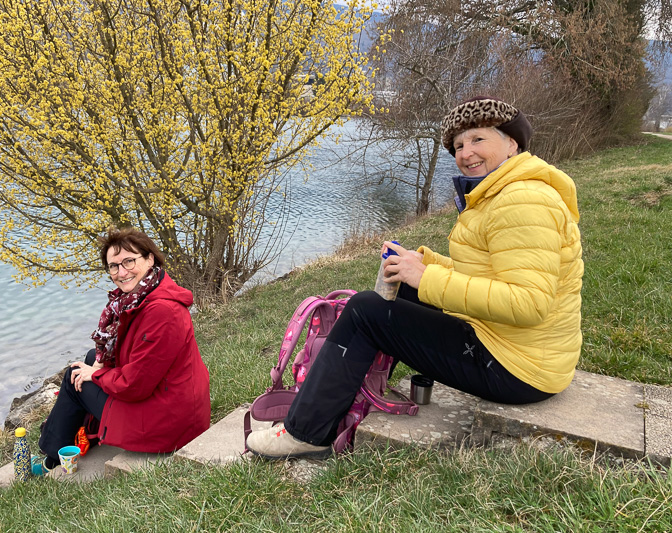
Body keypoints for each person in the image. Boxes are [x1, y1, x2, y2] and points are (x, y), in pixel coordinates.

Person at [246, 96, 584, 459]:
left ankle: (306, 432)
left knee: (364, 311)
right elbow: (488, 273)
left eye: (478, 139)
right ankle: (346, 393)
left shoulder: (522, 200)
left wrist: (427, 278)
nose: (467, 152)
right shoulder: (502, 192)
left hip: (517, 369)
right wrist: (422, 264)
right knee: (400, 289)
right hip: (515, 348)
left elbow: (528, 303)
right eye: (458, 145)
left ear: (512, 143)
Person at [38, 227, 210, 469]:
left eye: (129, 261)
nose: (121, 272)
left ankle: (52, 459)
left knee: (74, 377)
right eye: (114, 266)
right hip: (173, 403)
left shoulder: (162, 311)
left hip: (168, 425)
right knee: (91, 358)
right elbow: (132, 353)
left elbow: (134, 386)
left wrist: (95, 374)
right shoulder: (146, 295)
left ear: (150, 259)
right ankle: (82, 437)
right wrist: (98, 365)